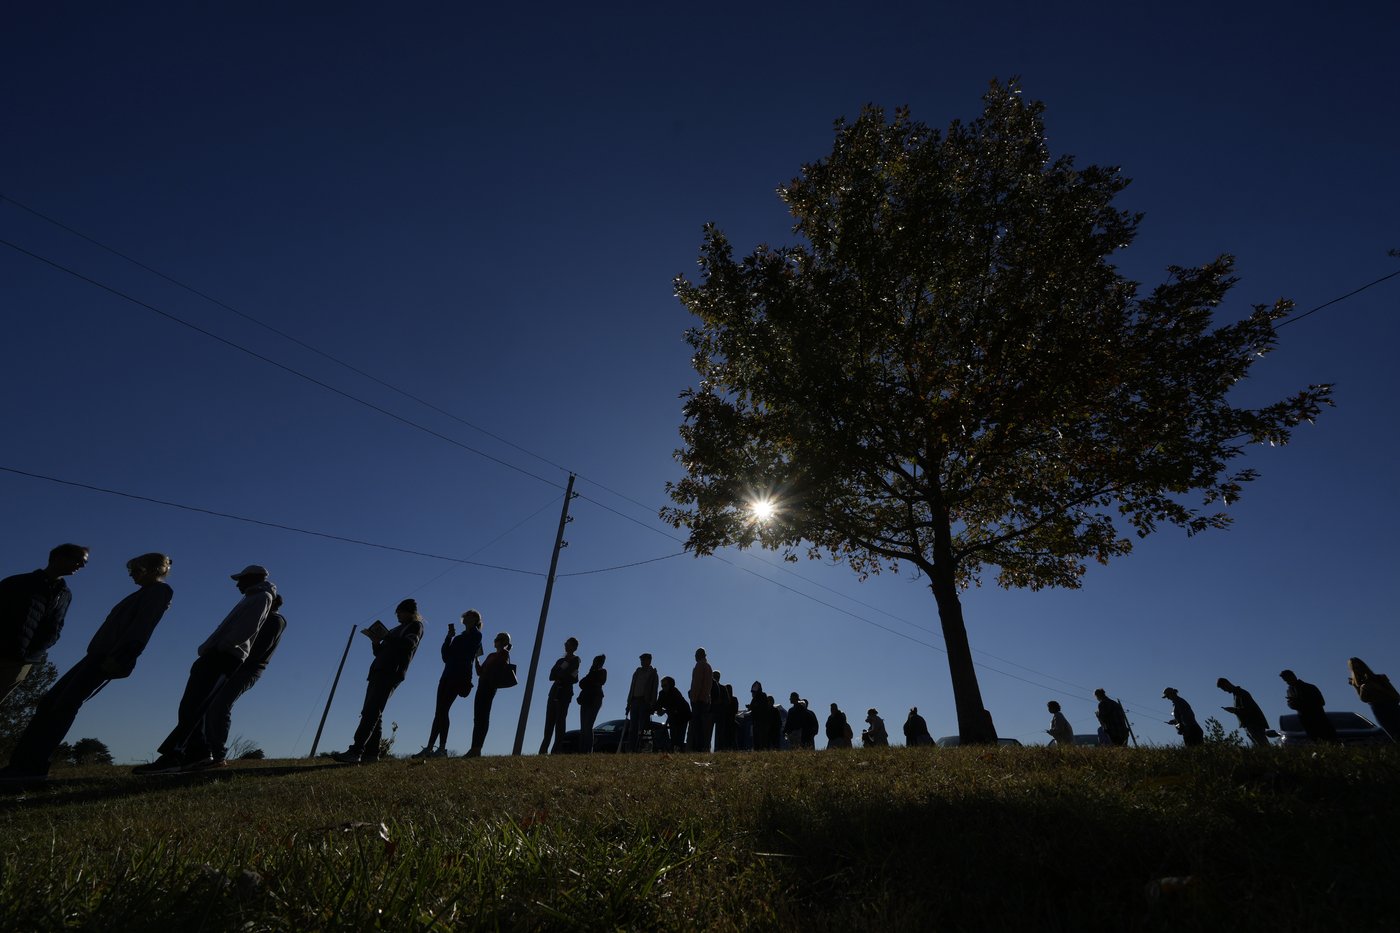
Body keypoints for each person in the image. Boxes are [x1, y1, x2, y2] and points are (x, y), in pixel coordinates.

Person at [2, 552, 170, 779]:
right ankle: (21, 764)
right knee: (50, 703)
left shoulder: (159, 591)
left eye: (136, 569)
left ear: (153, 570)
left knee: (64, 705)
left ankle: (32, 766)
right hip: (95, 655)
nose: (131, 574)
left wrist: (124, 656)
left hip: (108, 656)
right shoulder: (141, 593)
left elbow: (143, 626)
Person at [134, 564, 276, 774]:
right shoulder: (252, 597)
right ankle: (197, 754)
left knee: (195, 706)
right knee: (192, 706)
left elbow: (247, 628)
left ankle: (175, 755)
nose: (237, 583)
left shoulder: (261, 597)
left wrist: (221, 647)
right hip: (218, 655)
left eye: (241, 579)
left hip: (224, 656)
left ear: (254, 578)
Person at [333, 599, 425, 763]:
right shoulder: (396, 629)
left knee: (372, 711)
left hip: (392, 672)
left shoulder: (415, 626)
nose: (397, 615)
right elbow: (380, 652)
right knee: (374, 711)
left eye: (400, 612)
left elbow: (408, 645)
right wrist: (376, 642)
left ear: (409, 612)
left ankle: (356, 750)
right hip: (378, 670)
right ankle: (371, 754)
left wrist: (388, 637)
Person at [202, 593, 286, 768]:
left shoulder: (274, 621)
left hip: (247, 670)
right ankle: (208, 751)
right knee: (214, 705)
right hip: (240, 667)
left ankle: (217, 754)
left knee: (221, 705)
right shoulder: (265, 620)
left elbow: (257, 650)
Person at [1, 543, 89, 704]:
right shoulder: (17, 582)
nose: (82, 565)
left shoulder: (65, 594)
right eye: (79, 560)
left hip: (22, 662)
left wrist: (35, 652)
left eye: (85, 562)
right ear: (59, 557)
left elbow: (56, 627)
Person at [417, 609, 483, 758]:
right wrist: (448, 638)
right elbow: (446, 656)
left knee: (443, 709)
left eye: (469, 616)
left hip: (459, 676)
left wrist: (456, 642)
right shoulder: (458, 638)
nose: (465, 617)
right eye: (465, 615)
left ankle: (441, 748)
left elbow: (466, 652)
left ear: (475, 619)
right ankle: (430, 747)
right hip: (446, 675)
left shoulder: (476, 635)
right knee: (439, 711)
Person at [464, 631, 513, 757]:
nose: (497, 641)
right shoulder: (491, 655)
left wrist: (506, 648)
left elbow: (498, 667)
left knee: (483, 717)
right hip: (482, 684)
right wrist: (477, 660)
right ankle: (474, 748)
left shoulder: (504, 653)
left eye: (500, 639)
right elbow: (480, 672)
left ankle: (477, 748)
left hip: (490, 686)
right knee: (478, 717)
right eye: (497, 638)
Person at [539, 636, 581, 754]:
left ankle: (556, 750)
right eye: (565, 643)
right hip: (553, 693)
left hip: (564, 694)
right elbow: (552, 675)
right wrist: (561, 673)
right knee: (549, 723)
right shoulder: (560, 661)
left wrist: (561, 674)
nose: (565, 645)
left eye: (568, 644)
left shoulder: (576, 660)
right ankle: (543, 750)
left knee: (560, 722)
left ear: (574, 647)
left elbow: (572, 676)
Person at [1346, 657, 1400, 743]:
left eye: (1359, 667)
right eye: (1355, 668)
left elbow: (1396, 695)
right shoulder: (1359, 684)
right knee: (1395, 736)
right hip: (1379, 711)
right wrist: (1360, 687)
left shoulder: (1380, 678)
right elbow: (1364, 699)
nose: (1358, 670)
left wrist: (1378, 688)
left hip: (1392, 707)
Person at [1280, 669, 1337, 744]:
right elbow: (1291, 704)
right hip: (1306, 722)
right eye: (1285, 681)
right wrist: (1291, 704)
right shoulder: (1290, 691)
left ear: (1293, 676)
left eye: (1288, 679)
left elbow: (1321, 702)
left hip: (1319, 720)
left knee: (1329, 741)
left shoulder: (1310, 687)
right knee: (1316, 742)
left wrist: (1299, 703)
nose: (1287, 682)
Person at [1216, 677, 1269, 748]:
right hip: (1250, 724)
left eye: (1223, 688)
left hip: (1253, 723)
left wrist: (1234, 710)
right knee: (1261, 745)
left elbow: (1247, 709)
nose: (1224, 691)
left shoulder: (1240, 693)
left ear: (1227, 684)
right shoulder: (1237, 694)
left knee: (1263, 745)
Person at [625, 653, 658, 752]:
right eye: (642, 660)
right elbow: (632, 687)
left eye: (644, 659)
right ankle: (632, 749)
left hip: (645, 702)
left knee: (643, 727)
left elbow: (654, 690)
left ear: (649, 660)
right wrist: (628, 703)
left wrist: (652, 704)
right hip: (634, 701)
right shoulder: (637, 672)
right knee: (632, 727)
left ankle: (641, 749)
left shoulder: (653, 673)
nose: (642, 661)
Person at [575, 654, 607, 753]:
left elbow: (599, 682)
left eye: (596, 661)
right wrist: (590, 678)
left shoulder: (602, 672)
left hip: (594, 700)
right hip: (585, 700)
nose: (594, 663)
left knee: (588, 725)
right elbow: (581, 683)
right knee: (583, 726)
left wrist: (590, 680)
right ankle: (582, 750)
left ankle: (588, 750)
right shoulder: (591, 673)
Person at [655, 675, 691, 751]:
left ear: (670, 685)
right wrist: (656, 710)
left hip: (683, 715)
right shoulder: (662, 693)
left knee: (680, 735)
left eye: (665, 685)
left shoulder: (675, 692)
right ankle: (673, 749)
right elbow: (658, 704)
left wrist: (664, 711)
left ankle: (680, 750)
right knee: (673, 734)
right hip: (673, 715)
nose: (663, 687)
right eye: (662, 686)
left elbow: (676, 706)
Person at [688, 647, 714, 751]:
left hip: (698, 700)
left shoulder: (699, 666)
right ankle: (704, 747)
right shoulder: (708, 666)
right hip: (706, 700)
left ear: (699, 655)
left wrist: (693, 697)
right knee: (704, 726)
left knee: (697, 725)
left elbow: (697, 683)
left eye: (696, 654)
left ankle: (698, 747)